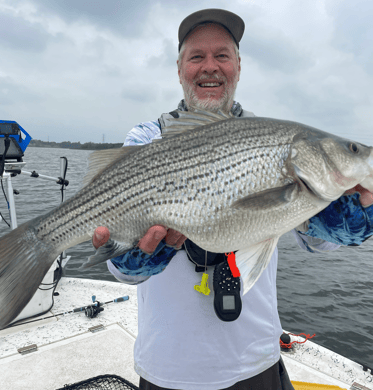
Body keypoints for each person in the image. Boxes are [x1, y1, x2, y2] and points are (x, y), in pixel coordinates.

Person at [93, 9, 373, 390]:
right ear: (179, 69)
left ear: (238, 66)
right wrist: (142, 254)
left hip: (255, 361)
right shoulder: (147, 139)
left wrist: (356, 212)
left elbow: (322, 243)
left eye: (222, 55)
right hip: (168, 369)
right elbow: (122, 271)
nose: (211, 67)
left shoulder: (269, 137)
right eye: (197, 57)